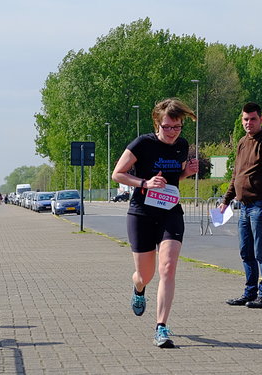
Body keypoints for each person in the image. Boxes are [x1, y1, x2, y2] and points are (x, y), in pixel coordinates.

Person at [112, 98, 199, 348]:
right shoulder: (142, 144)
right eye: (167, 127)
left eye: (177, 127)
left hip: (170, 210)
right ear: (157, 123)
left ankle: (161, 326)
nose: (172, 132)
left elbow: (174, 176)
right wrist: (145, 183)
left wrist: (187, 173)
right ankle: (138, 289)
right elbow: (117, 173)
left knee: (168, 267)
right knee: (145, 274)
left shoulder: (182, 145)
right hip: (142, 212)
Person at [219, 102, 262, 309]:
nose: (249, 123)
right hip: (244, 206)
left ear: (261, 119)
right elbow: (236, 175)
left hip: (261, 205)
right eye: (245, 119)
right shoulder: (242, 143)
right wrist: (225, 200)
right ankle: (250, 292)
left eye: (253, 119)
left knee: (261, 251)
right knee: (245, 251)